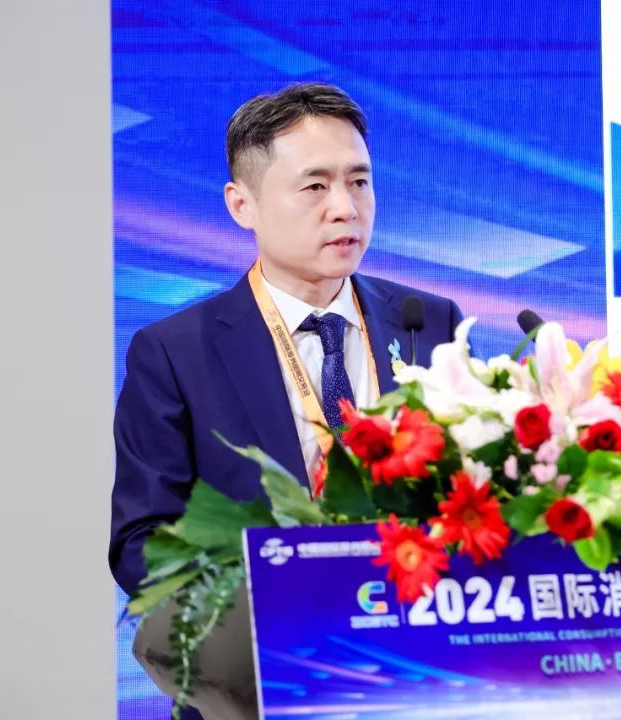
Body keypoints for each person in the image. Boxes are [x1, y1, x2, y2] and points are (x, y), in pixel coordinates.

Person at [109, 82, 463, 719]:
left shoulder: (429, 323)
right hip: (266, 685)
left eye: (359, 182)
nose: (345, 208)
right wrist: (280, 600)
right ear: (241, 204)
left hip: (426, 680)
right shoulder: (175, 352)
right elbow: (141, 544)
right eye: (315, 186)